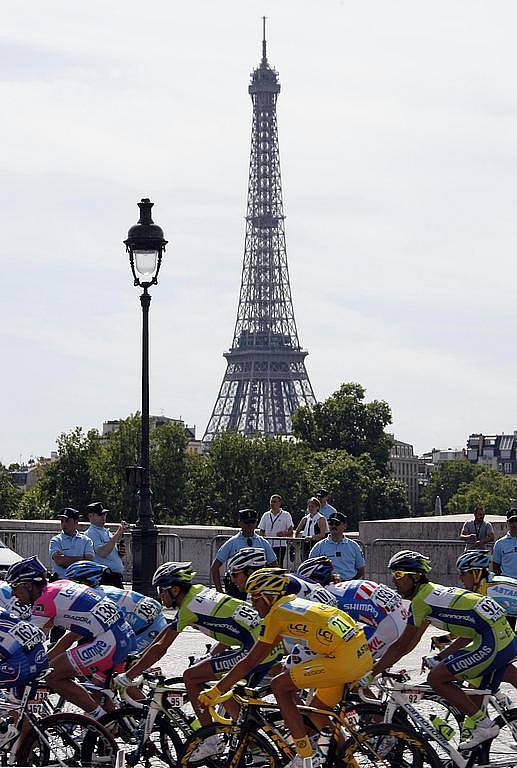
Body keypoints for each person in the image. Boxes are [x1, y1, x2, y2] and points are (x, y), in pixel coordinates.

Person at [199, 568, 372, 768]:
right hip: (360, 652)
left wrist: (216, 690)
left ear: (268, 596)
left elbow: (251, 661)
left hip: (342, 659)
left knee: (279, 685)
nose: (253, 605)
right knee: (317, 711)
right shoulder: (294, 605)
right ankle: (348, 762)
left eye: (255, 599)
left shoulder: (277, 615)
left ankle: (304, 756)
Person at [114, 561, 283, 757]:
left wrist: (127, 676)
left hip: (256, 646)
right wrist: (211, 657)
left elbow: (160, 649)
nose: (159, 595)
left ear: (175, 589)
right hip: (265, 643)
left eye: (162, 590)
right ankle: (255, 745)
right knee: (225, 690)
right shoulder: (199, 593)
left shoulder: (189, 608)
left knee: (192, 677)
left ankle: (212, 741)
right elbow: (227, 628)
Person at [372, 550, 517, 751]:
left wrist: (373, 671)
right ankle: (474, 754)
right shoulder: (429, 595)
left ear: (414, 577)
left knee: (437, 678)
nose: (393, 580)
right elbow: (413, 643)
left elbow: (402, 646)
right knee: (473, 694)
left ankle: (485, 727)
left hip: (493, 637)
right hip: (499, 636)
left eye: (398, 574)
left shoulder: (422, 601)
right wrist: (442, 655)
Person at [6, 555, 136, 721]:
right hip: (122, 634)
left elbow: (26, 641)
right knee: (98, 691)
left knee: (53, 676)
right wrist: (44, 659)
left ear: (29, 585)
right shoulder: (61, 585)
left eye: (15, 587)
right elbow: (65, 638)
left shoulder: (43, 600)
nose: (13, 593)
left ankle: (98, 719)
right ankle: (111, 727)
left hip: (109, 641)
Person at [297, 557, 407, 659]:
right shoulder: (341, 587)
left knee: (342, 659)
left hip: (388, 625)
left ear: (315, 580)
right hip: (399, 618)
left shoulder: (326, 596)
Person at [63, 561, 168, 654]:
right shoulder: (100, 590)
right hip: (152, 617)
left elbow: (76, 634)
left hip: (150, 628)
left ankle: (144, 674)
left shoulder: (93, 599)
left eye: (72, 584)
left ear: (85, 583)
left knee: (115, 663)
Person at [0, 609, 48, 744]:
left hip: (23, 663)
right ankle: (23, 755)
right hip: (38, 655)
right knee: (19, 708)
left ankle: (2, 731)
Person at [228, 549, 337, 607]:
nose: (233, 580)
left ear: (250, 572)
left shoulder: (266, 586)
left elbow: (252, 628)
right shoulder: (275, 578)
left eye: (235, 574)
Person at [210, 509, 278, 593]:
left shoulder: (263, 543)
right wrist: (219, 592)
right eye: (246, 522)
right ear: (240, 523)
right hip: (236, 589)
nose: (250, 525)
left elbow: (275, 566)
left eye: (252, 522)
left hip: (257, 589)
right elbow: (215, 567)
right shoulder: (231, 543)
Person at [457, 549, 517, 631]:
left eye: (463, 574)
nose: (460, 578)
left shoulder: (489, 590)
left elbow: (474, 629)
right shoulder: (487, 585)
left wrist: (447, 638)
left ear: (476, 573)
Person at [308, 512, 365, 581]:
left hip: (349, 585)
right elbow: (310, 568)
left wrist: (352, 582)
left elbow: (361, 569)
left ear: (344, 526)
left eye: (337, 523)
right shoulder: (319, 546)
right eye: (331, 523)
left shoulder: (354, 546)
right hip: (328, 585)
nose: (333, 526)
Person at [84, 502, 129, 588]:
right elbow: (102, 553)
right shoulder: (91, 533)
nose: (103, 517)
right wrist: (118, 532)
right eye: (100, 514)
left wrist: (120, 553)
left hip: (115, 577)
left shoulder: (106, 532)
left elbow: (111, 550)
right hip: (105, 578)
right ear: (91, 516)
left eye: (104, 514)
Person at [49, 508, 95, 579]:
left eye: (67, 521)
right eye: (62, 521)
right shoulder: (56, 540)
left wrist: (66, 559)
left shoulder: (86, 541)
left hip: (81, 583)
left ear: (76, 522)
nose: (64, 524)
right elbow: (59, 560)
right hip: (61, 581)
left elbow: (89, 562)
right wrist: (82, 559)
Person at [258, 495, 293, 567]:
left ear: (279, 503)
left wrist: (283, 533)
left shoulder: (286, 515)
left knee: (278, 565)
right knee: (266, 565)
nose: (272, 504)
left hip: (280, 545)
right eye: (271, 502)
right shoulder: (266, 515)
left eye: (274, 502)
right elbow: (261, 530)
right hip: (268, 545)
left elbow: (291, 531)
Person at [492, 505, 517, 580]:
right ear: (507, 522)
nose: (514, 524)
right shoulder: (500, 544)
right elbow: (496, 566)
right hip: (508, 584)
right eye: (512, 521)